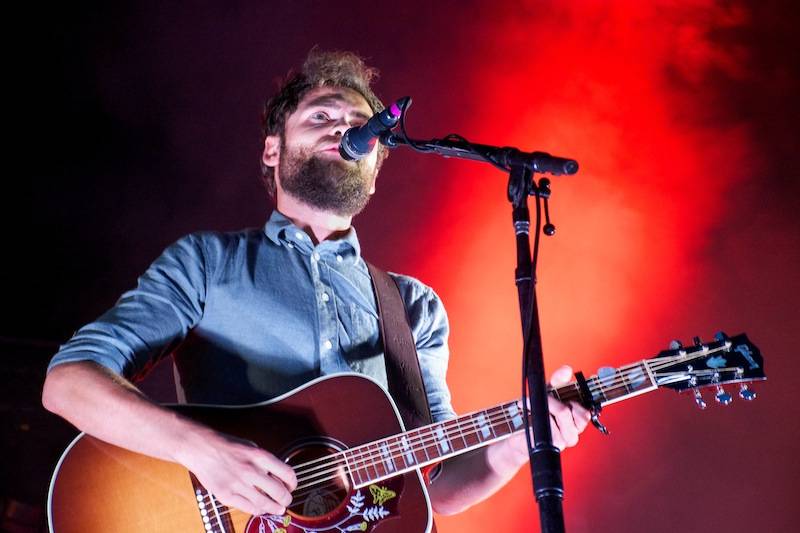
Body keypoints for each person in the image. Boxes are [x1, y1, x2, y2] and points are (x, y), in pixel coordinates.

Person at [42, 48, 590, 519]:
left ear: (375, 166)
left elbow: (437, 484)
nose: (344, 128)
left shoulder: (414, 308)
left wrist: (525, 439)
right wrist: (202, 451)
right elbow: (68, 382)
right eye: (321, 115)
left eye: (358, 123)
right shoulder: (208, 262)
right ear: (272, 150)